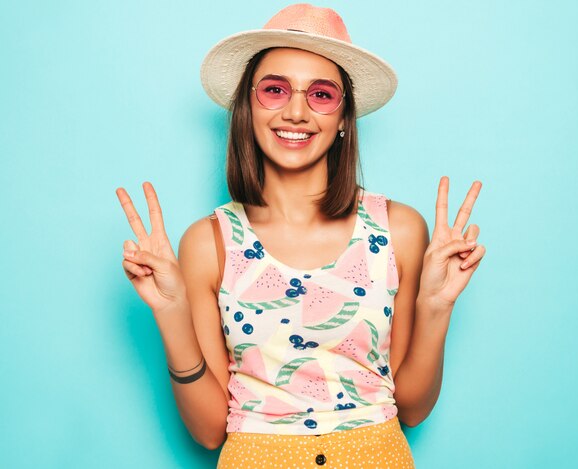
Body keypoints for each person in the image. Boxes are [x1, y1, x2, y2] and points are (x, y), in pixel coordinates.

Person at [115, 4, 485, 468]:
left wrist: (436, 306)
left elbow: (412, 406)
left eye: (321, 95)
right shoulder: (208, 244)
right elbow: (209, 433)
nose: (296, 111)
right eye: (274, 90)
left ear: (344, 115)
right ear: (248, 107)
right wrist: (171, 312)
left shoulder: (401, 230)